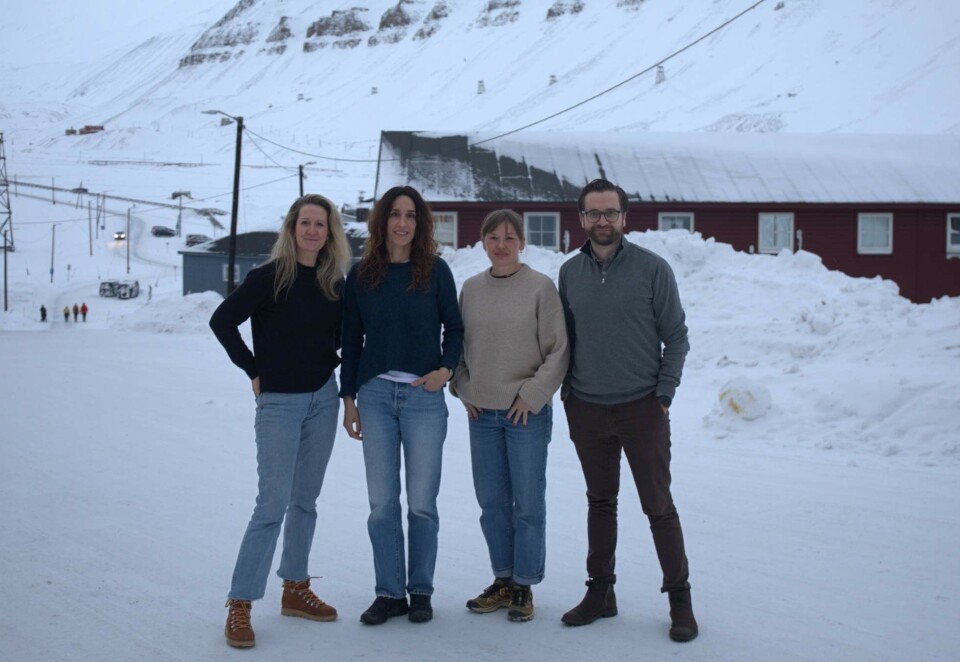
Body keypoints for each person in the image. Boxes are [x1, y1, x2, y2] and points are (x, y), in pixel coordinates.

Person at [209, 194, 352, 649]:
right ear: (292, 228)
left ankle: (295, 588)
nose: (312, 231)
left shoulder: (334, 282)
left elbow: (348, 339)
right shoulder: (268, 277)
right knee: (272, 505)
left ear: (330, 233)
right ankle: (241, 602)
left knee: (305, 501)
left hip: (323, 400)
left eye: (320, 224)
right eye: (305, 223)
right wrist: (253, 369)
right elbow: (222, 320)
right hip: (280, 404)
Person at [557, 179, 697, 642]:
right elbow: (565, 340)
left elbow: (675, 336)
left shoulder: (652, 269)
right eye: (594, 213)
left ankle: (680, 600)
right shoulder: (569, 274)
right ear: (581, 219)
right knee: (600, 503)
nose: (602, 221)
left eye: (610, 213)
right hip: (588, 409)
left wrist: (663, 394)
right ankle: (601, 593)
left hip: (642, 409)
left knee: (658, 507)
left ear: (624, 217)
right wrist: (569, 394)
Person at [340, 185, 464, 625]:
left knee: (422, 504)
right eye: (395, 213)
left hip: (424, 399)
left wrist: (445, 371)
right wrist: (349, 398)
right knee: (382, 503)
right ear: (382, 220)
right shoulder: (362, 275)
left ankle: (421, 591)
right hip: (374, 397)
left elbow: (455, 328)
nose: (402, 222)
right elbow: (351, 339)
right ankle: (390, 593)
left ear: (420, 223)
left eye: (411, 215)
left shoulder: (435, 271)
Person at [450, 209, 569, 622]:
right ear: (483, 242)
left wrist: (533, 395)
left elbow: (558, 350)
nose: (501, 245)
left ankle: (524, 585)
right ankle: (502, 580)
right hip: (481, 415)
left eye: (509, 237)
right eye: (493, 237)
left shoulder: (540, 287)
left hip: (525, 415)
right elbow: (459, 348)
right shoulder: (471, 288)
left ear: (521, 242)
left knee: (528, 504)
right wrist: (463, 388)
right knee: (492, 504)